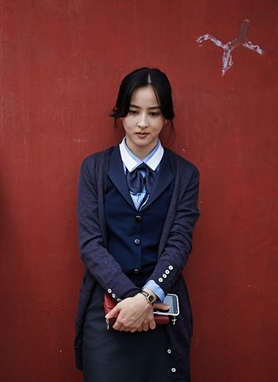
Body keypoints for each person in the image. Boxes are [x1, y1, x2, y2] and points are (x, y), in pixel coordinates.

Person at [74, 67, 200, 381]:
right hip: (107, 310)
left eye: (153, 113)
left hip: (163, 307)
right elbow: (90, 244)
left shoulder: (185, 175)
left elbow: (179, 243)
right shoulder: (94, 168)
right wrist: (130, 298)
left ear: (166, 117)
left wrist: (147, 299)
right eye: (133, 112)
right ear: (121, 114)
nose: (142, 123)